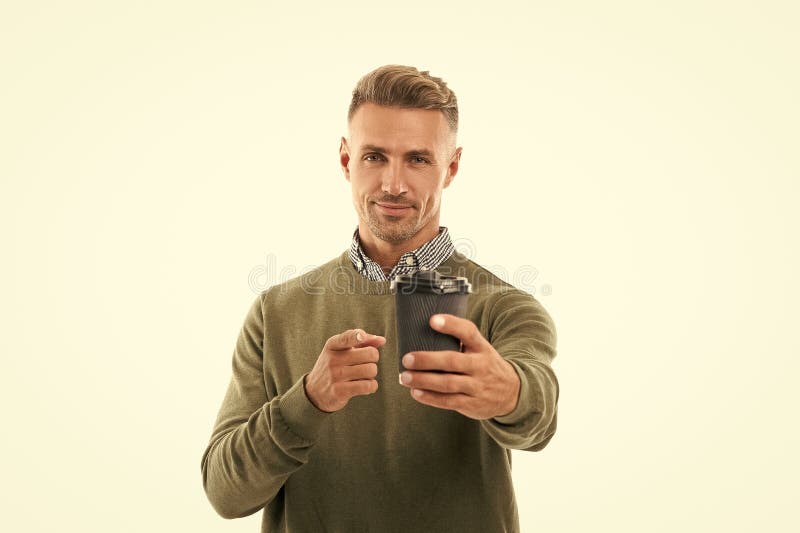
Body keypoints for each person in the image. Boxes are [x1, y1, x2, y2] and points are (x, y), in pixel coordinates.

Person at [201, 64, 559, 532]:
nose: (393, 184)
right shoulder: (276, 312)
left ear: (451, 168)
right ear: (346, 160)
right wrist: (308, 400)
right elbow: (225, 494)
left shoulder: (505, 307)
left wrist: (508, 392)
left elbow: (538, 418)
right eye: (374, 156)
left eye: (418, 159)